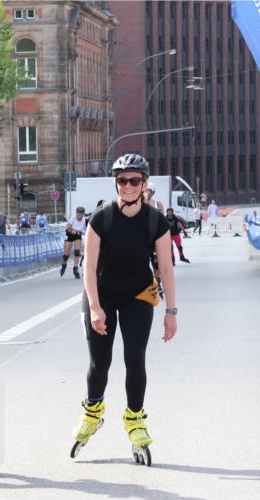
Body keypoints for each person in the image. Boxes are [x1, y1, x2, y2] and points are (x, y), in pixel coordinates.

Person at [71, 153, 177, 466]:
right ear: (116, 183)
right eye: (122, 180)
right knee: (100, 361)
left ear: (144, 185)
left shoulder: (155, 220)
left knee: (134, 356)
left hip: (138, 294)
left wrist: (172, 311)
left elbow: (167, 269)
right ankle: (93, 411)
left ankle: (135, 419)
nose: (127, 186)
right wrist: (94, 308)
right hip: (101, 293)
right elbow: (89, 267)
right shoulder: (102, 217)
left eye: (134, 181)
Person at [61, 206, 86, 278]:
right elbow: (68, 227)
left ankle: (75, 268)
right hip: (70, 236)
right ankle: (64, 264)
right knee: (66, 255)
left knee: (77, 252)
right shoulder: (73, 218)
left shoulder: (84, 220)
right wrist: (72, 231)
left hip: (77, 236)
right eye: (78, 214)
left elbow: (86, 229)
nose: (79, 215)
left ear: (82, 214)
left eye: (80, 214)